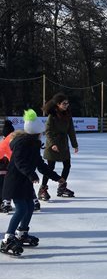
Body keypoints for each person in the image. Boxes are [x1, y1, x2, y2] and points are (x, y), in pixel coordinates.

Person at [0, 110, 64, 256]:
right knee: (21, 208)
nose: (41, 135)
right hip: (15, 181)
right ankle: (7, 238)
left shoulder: (33, 144)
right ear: (35, 133)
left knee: (29, 207)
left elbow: (40, 164)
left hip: (25, 181)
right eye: (40, 132)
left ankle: (21, 233)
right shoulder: (22, 143)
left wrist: (56, 177)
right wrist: (31, 174)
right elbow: (19, 161)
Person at [38, 93, 78, 201]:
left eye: (67, 103)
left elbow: (71, 131)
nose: (66, 105)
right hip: (53, 145)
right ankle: (42, 189)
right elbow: (48, 131)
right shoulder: (52, 116)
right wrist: (52, 144)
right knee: (49, 168)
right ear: (58, 104)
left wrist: (75, 144)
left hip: (63, 144)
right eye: (64, 103)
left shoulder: (68, 115)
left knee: (67, 165)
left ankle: (62, 187)